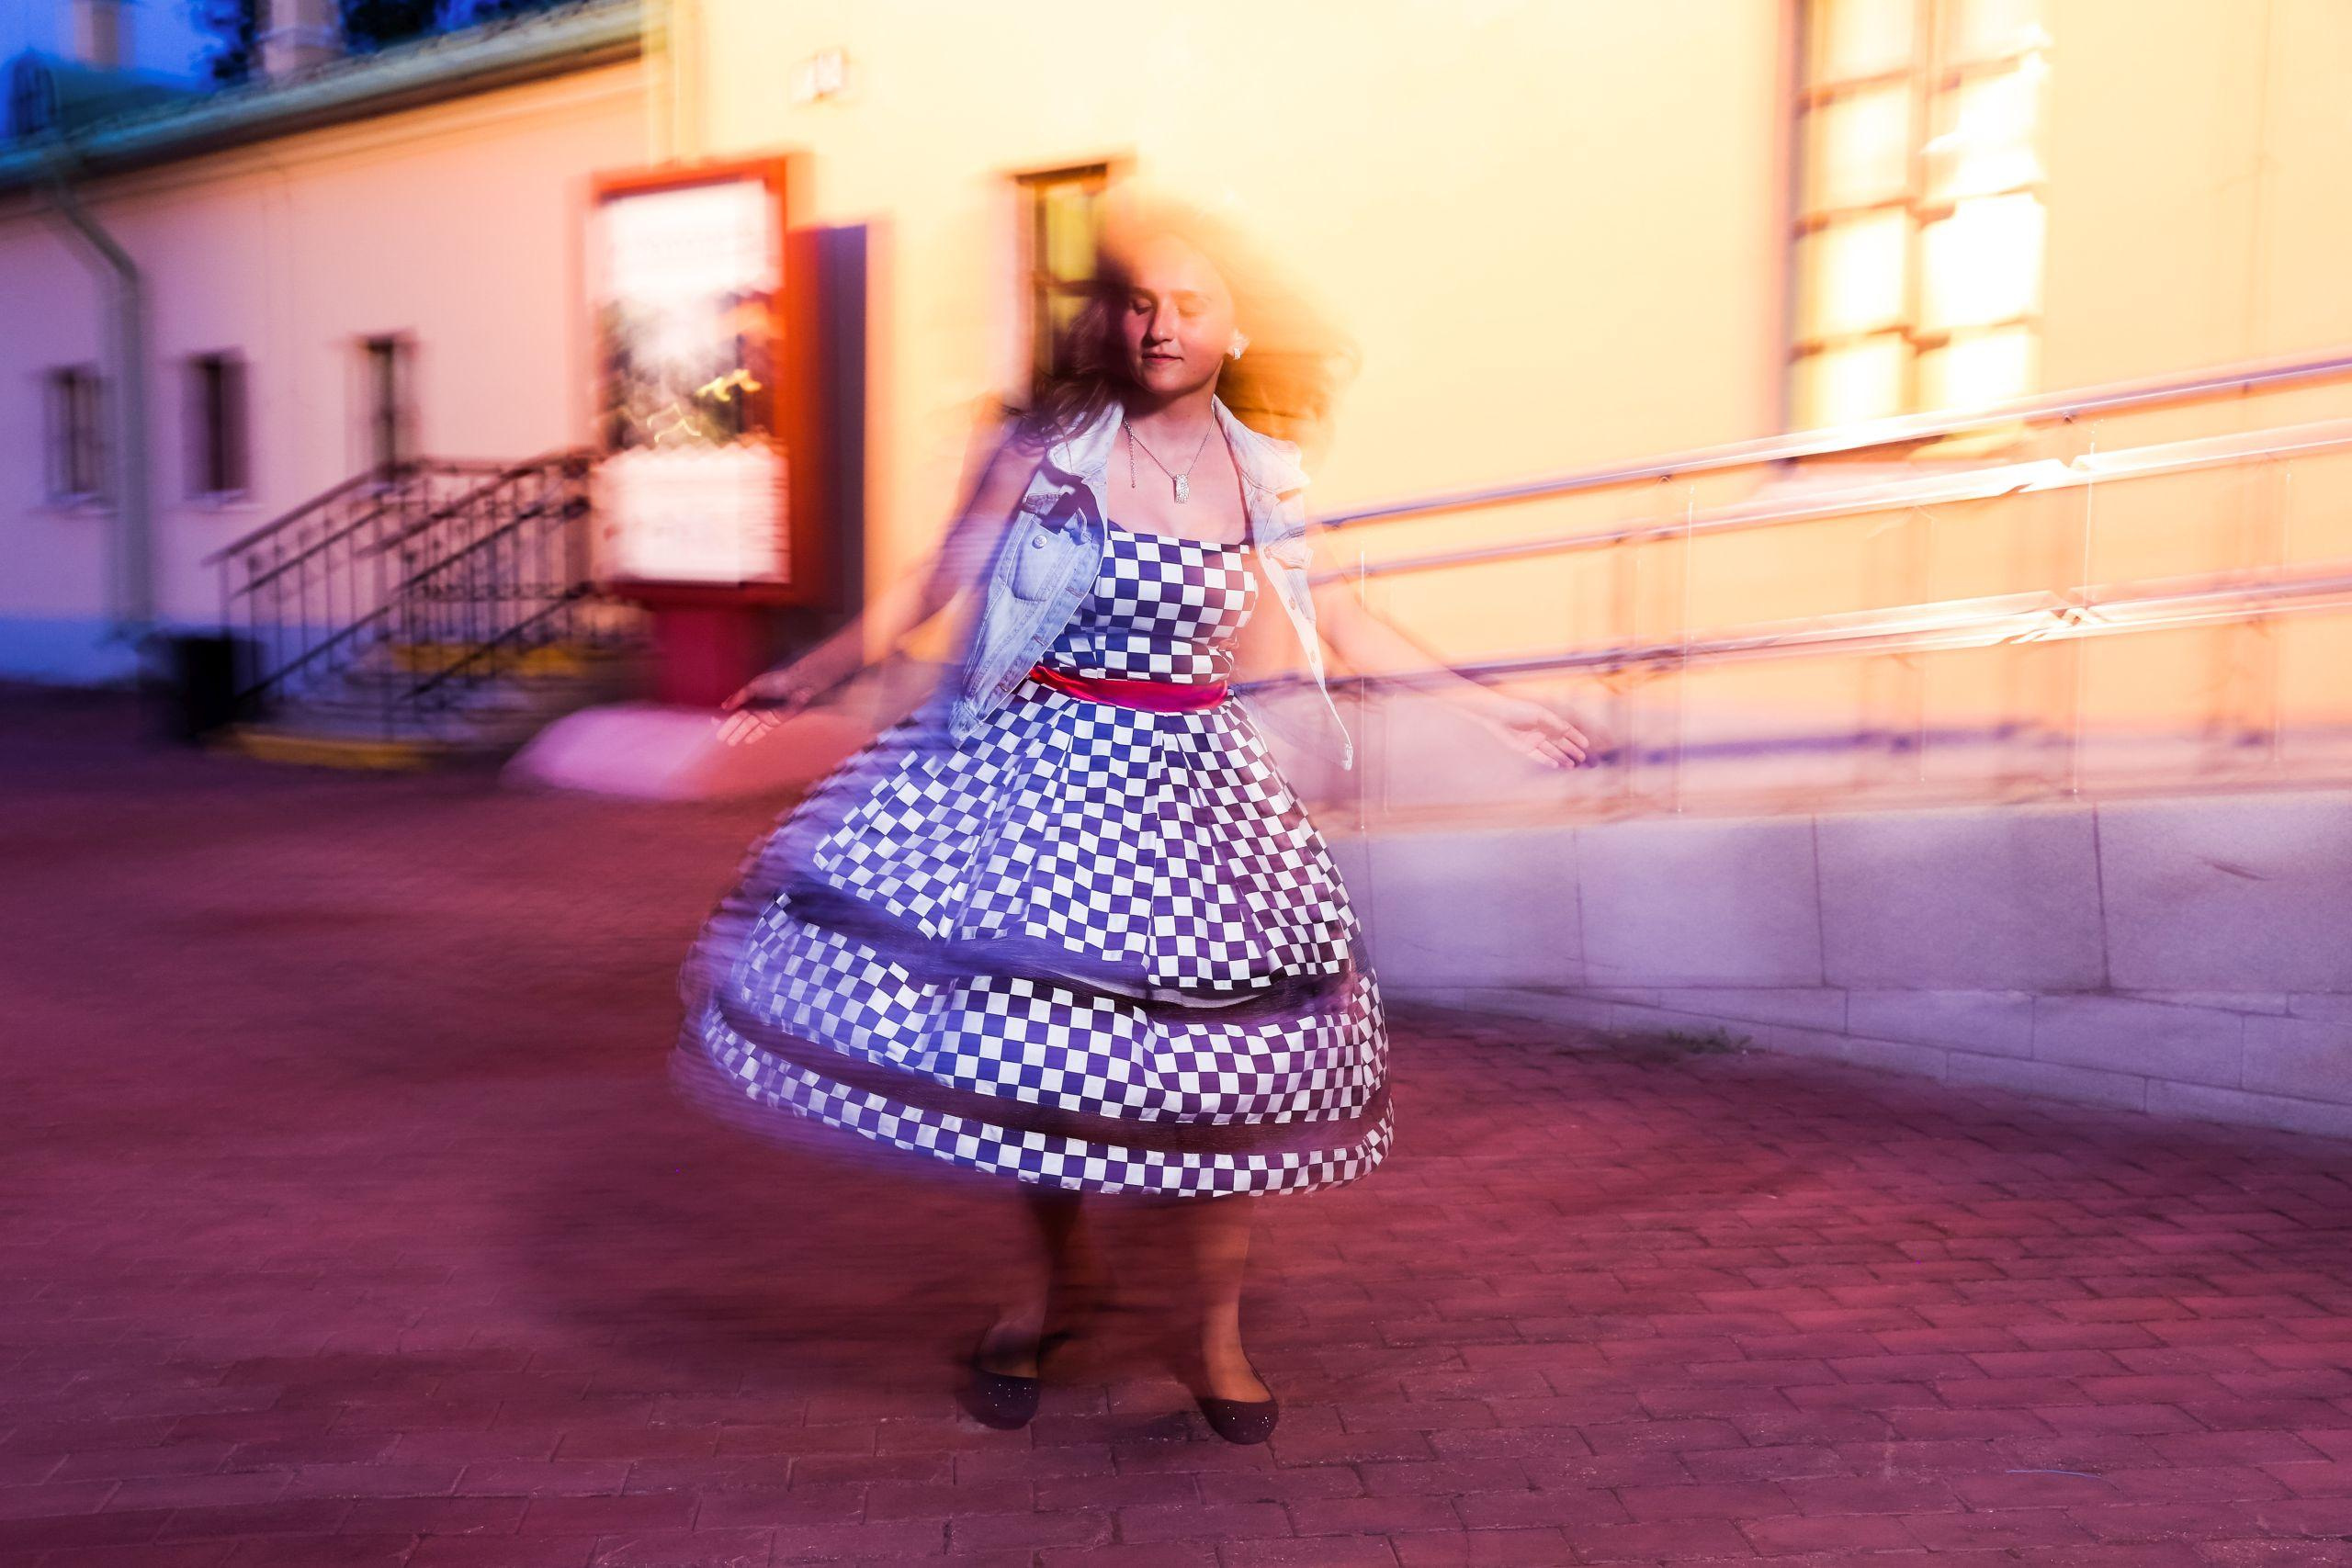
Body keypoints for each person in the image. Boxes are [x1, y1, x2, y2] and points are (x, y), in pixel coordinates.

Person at [675, 196, 1588, 1445]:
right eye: (1140, 301)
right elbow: (935, 581)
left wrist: (1491, 706)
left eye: (1190, 305)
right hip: (1041, 770)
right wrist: (820, 668)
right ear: (1110, 316)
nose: (1160, 326)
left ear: (1235, 329)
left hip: (1195, 794)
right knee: (1039, 1053)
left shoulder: (1264, 473)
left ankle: (1214, 1336)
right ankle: (1048, 1287)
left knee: (1221, 1072)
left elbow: (1342, 620)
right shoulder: (1046, 448)